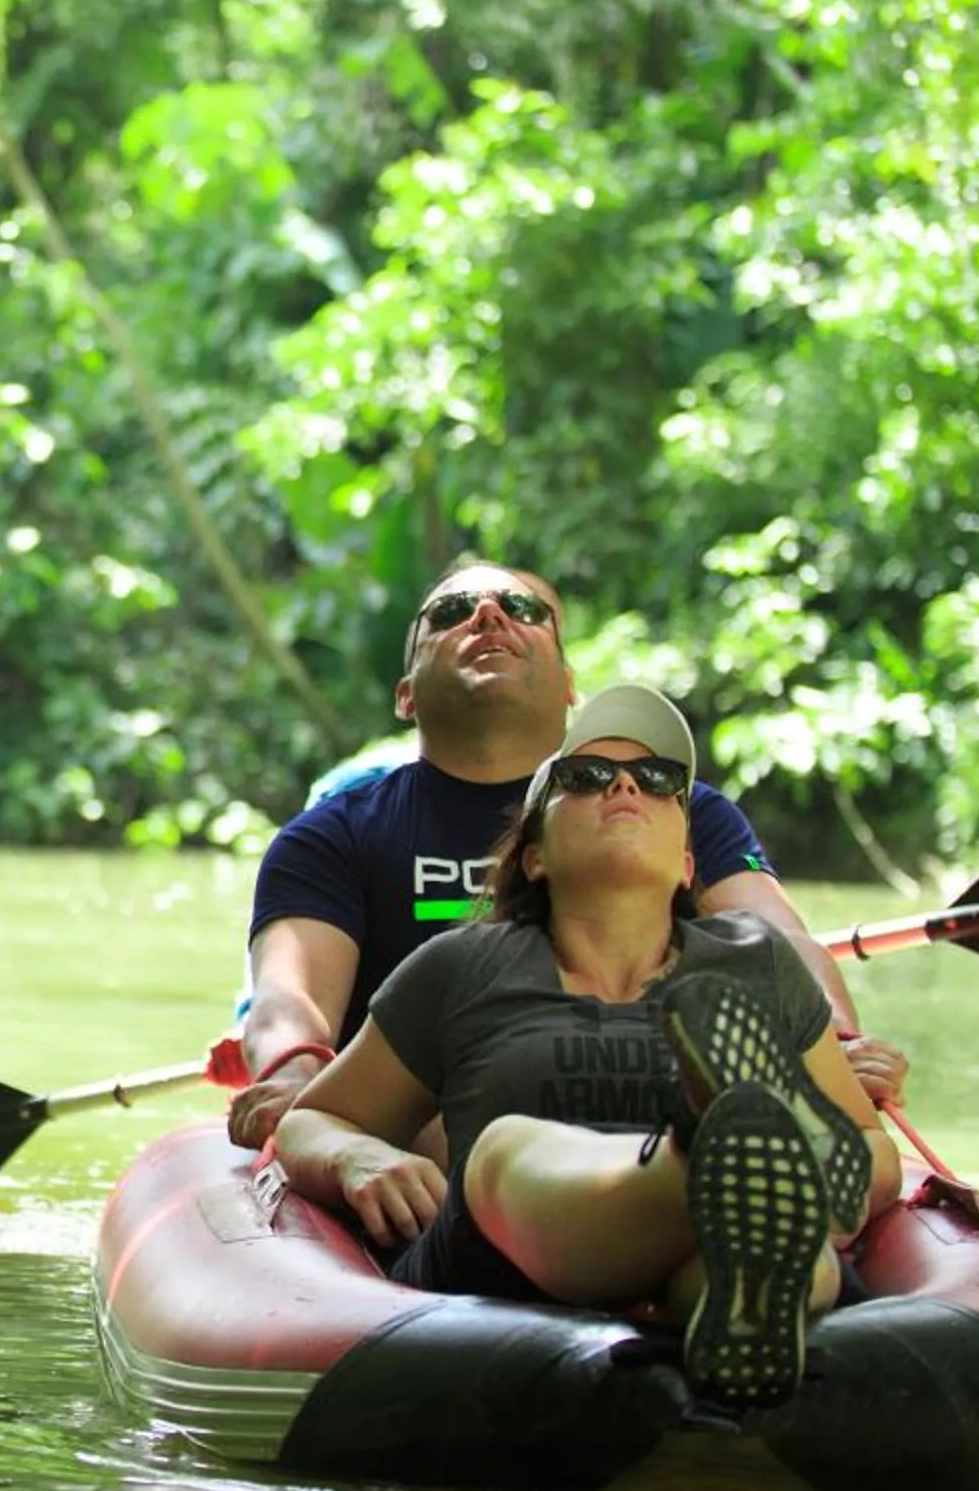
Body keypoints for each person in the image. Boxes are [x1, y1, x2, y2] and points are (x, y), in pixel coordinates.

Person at [272, 686, 900, 1409]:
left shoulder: (756, 962)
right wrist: (359, 1155)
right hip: (502, 1277)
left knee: (750, 1253)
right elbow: (310, 1121)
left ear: (690, 863)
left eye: (660, 781)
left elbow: (866, 1145)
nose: (627, 784)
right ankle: (714, 1170)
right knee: (503, 1149)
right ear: (534, 857)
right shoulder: (461, 967)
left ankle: (753, 1271)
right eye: (585, 778)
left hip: (699, 1271)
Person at [229, 563, 907, 1150]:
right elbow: (290, 997)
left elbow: (776, 937)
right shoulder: (331, 836)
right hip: (431, 1128)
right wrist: (295, 1081)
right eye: (451, 613)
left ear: (569, 686)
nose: (489, 614)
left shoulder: (676, 806)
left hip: (655, 1094)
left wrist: (841, 1047)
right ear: (405, 694)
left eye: (524, 610)